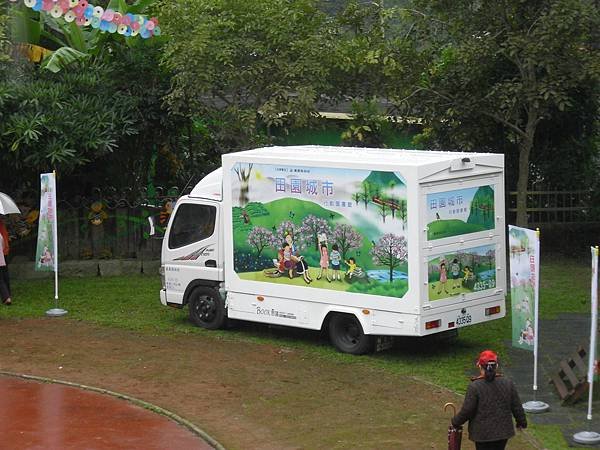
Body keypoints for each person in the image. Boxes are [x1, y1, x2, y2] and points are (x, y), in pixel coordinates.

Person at [452, 350, 527, 450]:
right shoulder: (508, 383)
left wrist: (456, 422)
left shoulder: (475, 387)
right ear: (496, 366)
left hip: (482, 434)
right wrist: (522, 422)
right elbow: (516, 406)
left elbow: (467, 410)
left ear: (479, 366)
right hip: (503, 432)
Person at [0, 217, 12, 305]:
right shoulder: (1, 224)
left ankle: (6, 296)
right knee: (4, 275)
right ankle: (7, 295)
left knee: (2, 276)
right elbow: (4, 239)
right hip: (3, 252)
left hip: (3, 252)